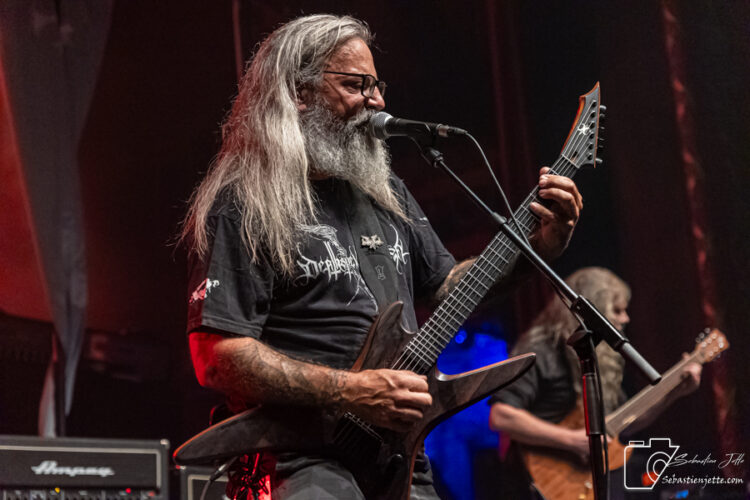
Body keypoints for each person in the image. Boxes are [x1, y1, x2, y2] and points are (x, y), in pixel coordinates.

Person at [180, 14, 583, 499]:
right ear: (299, 94)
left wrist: (540, 246)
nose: (377, 102)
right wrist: (350, 391)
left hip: (396, 452)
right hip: (296, 456)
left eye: (377, 86)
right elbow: (217, 357)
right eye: (356, 85)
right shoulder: (244, 202)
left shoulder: (384, 192)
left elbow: (448, 286)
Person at [488, 267, 702, 499]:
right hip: (541, 481)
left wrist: (673, 393)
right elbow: (501, 416)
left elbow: (621, 425)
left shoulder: (601, 358)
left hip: (595, 482)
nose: (626, 318)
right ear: (594, 310)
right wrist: (573, 440)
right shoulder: (541, 349)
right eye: (617, 310)